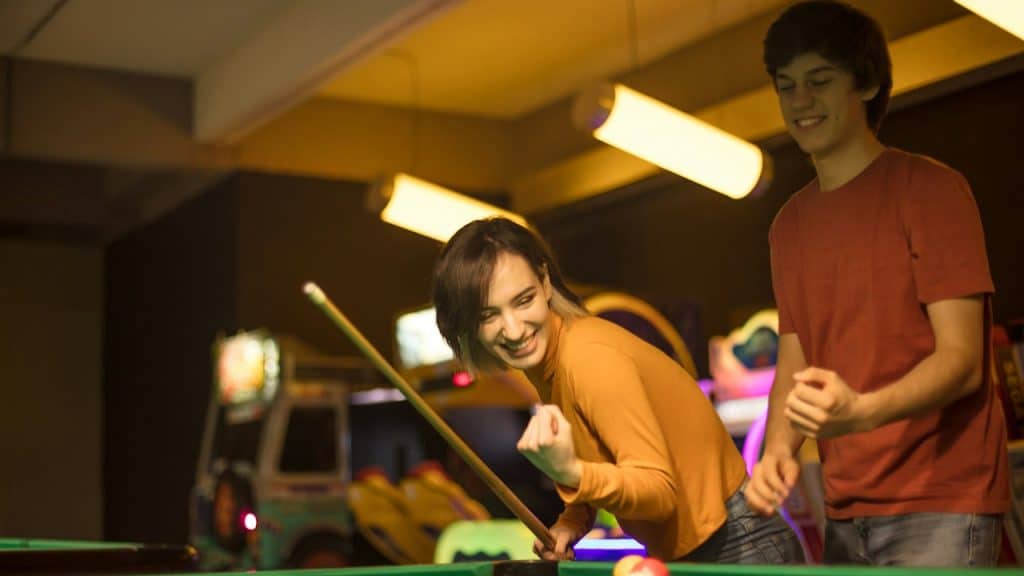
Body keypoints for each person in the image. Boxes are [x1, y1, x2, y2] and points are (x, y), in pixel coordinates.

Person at [745, 0, 1009, 567]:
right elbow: (795, 363)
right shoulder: (787, 226)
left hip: (942, 503)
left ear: (864, 84)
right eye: (786, 86)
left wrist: (860, 412)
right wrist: (776, 453)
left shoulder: (930, 191)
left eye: (819, 81)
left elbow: (964, 362)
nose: (799, 102)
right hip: (844, 507)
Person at [431, 217, 804, 563]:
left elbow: (659, 490)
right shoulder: (551, 360)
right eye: (488, 315)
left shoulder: (587, 357)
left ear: (545, 283)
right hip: (713, 545)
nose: (513, 330)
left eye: (523, 300)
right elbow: (604, 456)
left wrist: (573, 473)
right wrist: (571, 522)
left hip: (739, 543)